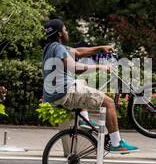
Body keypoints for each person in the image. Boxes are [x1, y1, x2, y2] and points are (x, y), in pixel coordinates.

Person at [40, 18, 137, 154]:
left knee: (82, 82)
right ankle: (116, 143)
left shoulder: (50, 48)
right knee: (109, 103)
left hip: (54, 95)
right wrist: (99, 67)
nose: (67, 32)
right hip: (66, 91)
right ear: (60, 33)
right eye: (65, 29)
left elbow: (79, 52)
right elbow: (74, 68)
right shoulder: (59, 48)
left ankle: (84, 121)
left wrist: (100, 48)